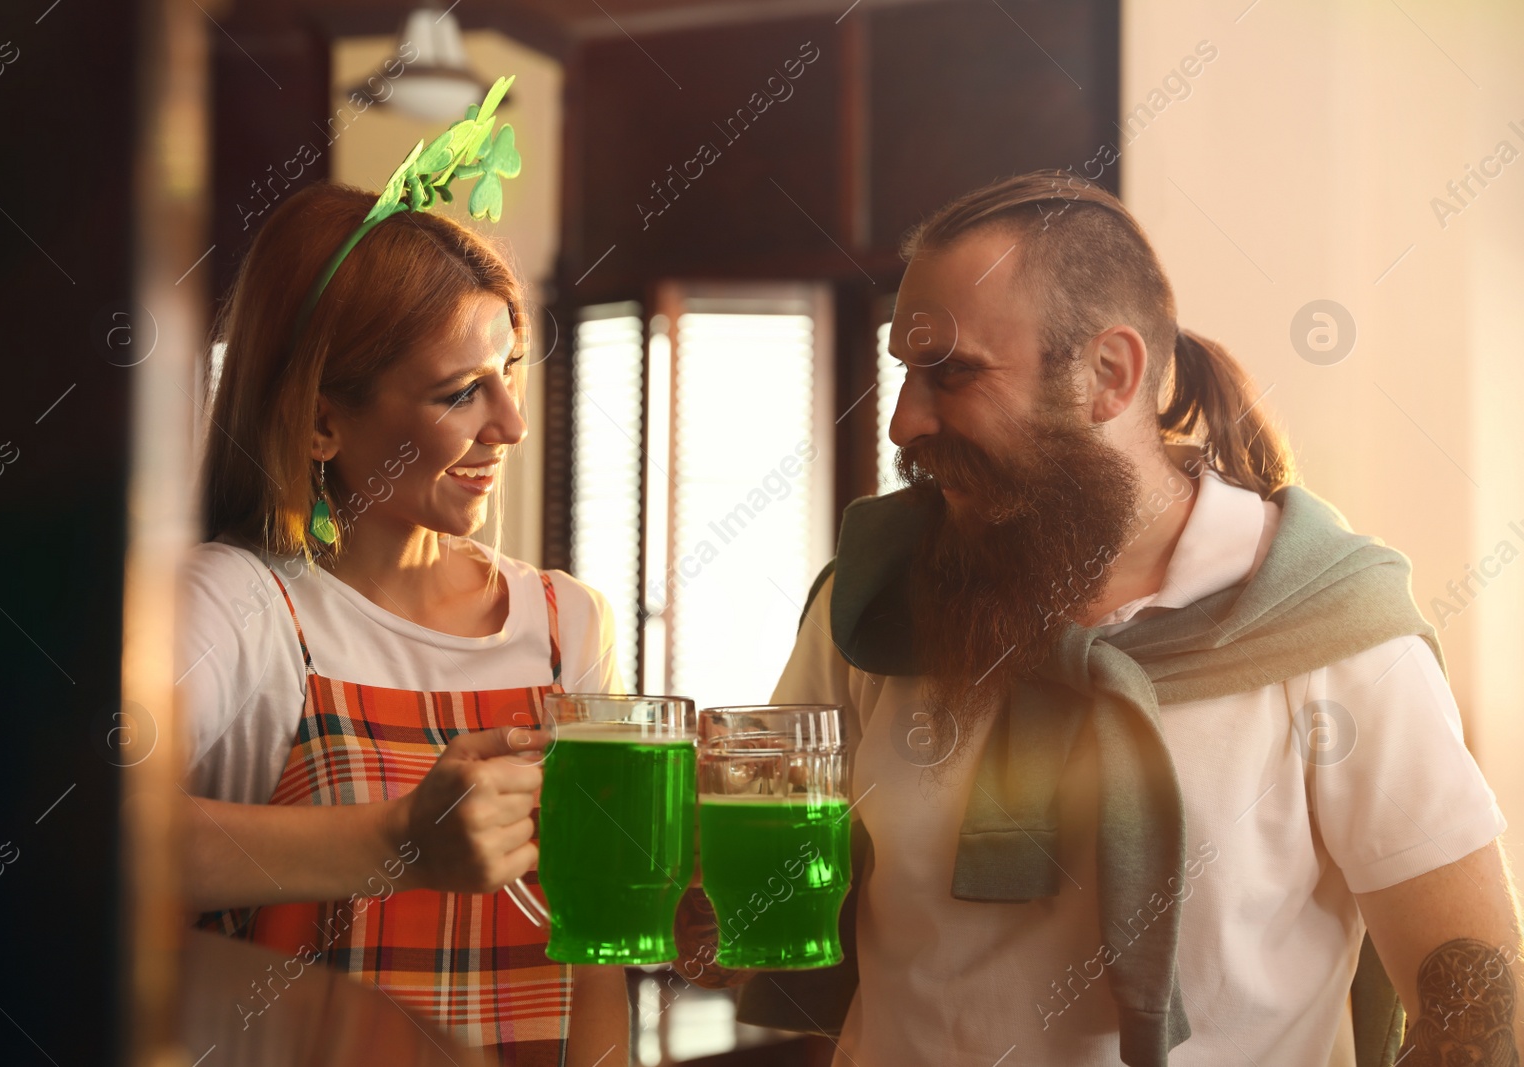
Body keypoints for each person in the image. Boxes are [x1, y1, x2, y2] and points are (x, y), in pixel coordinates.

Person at [726, 172, 1522, 1066]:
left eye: (951, 374)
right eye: (906, 374)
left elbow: (1477, 996)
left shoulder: (1335, 628)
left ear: (1110, 374)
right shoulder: (872, 601)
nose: (906, 421)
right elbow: (757, 904)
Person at [176, 175, 630, 1066]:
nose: (510, 423)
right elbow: (85, 832)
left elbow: (597, 949)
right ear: (320, 422)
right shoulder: (240, 604)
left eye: (508, 375)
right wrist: (396, 842)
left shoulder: (566, 621)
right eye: (459, 392)